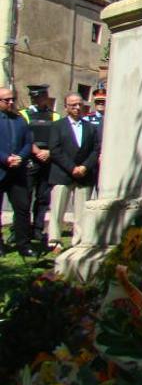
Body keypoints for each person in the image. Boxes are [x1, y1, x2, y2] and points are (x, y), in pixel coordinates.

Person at [47, 92, 101, 249]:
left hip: (83, 176)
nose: (77, 108)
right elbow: (55, 149)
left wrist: (84, 167)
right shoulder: (57, 126)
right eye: (73, 105)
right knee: (58, 209)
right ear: (66, 108)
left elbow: (96, 150)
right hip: (62, 174)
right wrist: (72, 168)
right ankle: (54, 240)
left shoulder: (90, 127)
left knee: (81, 212)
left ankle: (78, 241)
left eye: (79, 104)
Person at [20, 84, 60, 246]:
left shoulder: (55, 116)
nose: (36, 100)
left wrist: (49, 152)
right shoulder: (24, 114)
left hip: (48, 161)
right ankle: (22, 230)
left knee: (43, 198)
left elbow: (58, 137)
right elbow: (23, 137)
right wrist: (37, 152)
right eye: (33, 97)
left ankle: (38, 229)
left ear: (45, 97)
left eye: (39, 97)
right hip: (30, 159)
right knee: (25, 197)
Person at [0, 87, 34, 256]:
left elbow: (29, 142)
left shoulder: (20, 119)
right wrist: (5, 159)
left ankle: (23, 244)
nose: (11, 102)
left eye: (12, 99)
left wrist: (20, 157)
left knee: (22, 208)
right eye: (7, 100)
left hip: (18, 172)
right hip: (1, 169)